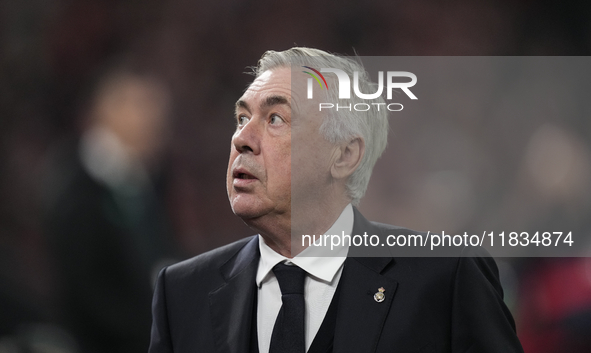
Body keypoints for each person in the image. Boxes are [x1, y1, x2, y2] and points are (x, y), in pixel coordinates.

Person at [149, 47, 524, 352]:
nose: (241, 138)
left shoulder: (446, 277)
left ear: (344, 155)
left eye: (275, 118)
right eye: (242, 117)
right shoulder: (182, 292)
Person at [44, 67, 177, 353]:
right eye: (143, 105)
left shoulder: (144, 182)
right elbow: (86, 291)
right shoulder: (78, 190)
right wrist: (151, 327)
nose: (156, 119)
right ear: (108, 111)